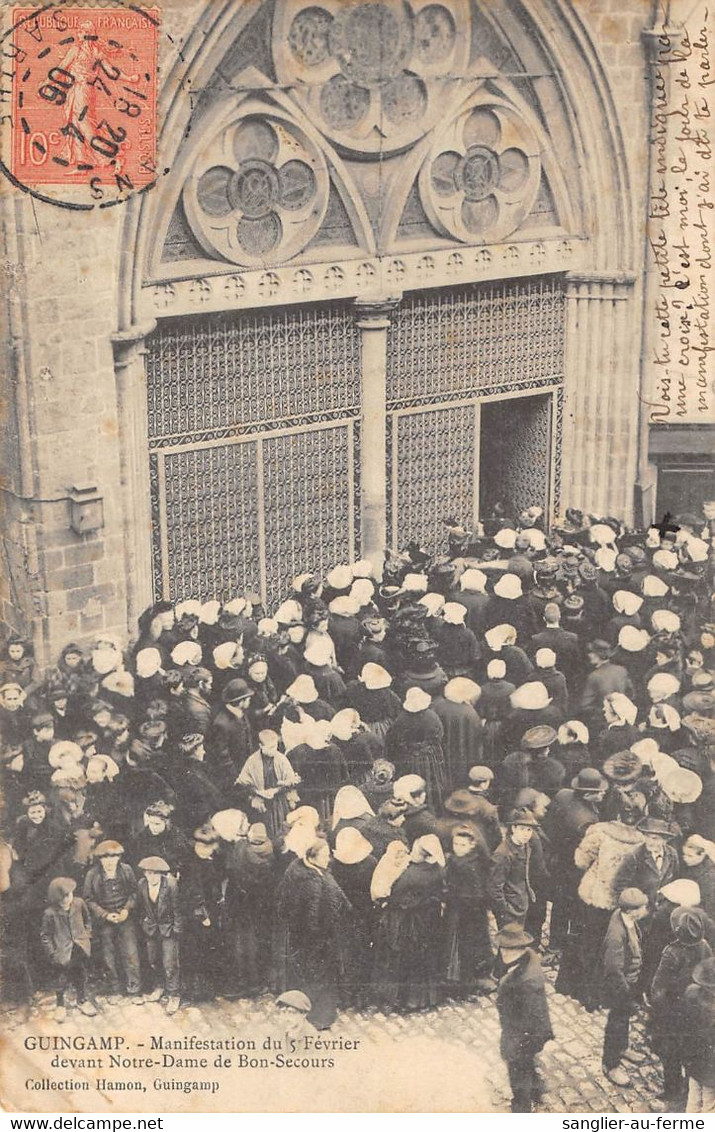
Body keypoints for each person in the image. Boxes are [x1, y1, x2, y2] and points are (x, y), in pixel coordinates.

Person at [273, 837, 350, 1030]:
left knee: (308, 974)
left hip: (303, 936)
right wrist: (322, 937)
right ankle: (319, 1017)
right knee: (318, 976)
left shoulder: (299, 869)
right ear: (312, 856)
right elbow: (313, 918)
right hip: (316, 939)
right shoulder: (313, 883)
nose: (329, 859)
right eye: (325, 855)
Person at [650, 906, 712, 1108]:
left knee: (670, 1054)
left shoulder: (671, 953)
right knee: (691, 1051)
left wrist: (658, 1012)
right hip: (694, 1009)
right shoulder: (704, 946)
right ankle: (687, 1088)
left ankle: (673, 1091)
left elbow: (657, 989)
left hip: (672, 1012)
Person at [494, 922, 553, 1112]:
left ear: (518, 949)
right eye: (503, 948)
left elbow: (532, 1018)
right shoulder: (530, 957)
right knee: (527, 1063)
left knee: (518, 1071)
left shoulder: (525, 982)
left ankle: (522, 1108)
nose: (503, 953)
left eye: (507, 949)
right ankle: (536, 1088)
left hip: (522, 1036)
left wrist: (520, 1043)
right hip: (527, 1032)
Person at [600, 887, 650, 1087]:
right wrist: (625, 996)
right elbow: (613, 969)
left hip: (629, 982)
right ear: (632, 911)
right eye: (642, 907)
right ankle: (610, 1065)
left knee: (622, 1020)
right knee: (616, 1023)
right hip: (620, 988)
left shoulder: (628, 920)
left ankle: (622, 1047)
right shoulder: (616, 934)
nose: (646, 909)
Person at [82, 840, 141, 1003]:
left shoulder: (127, 870)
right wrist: (105, 915)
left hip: (124, 916)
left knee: (131, 951)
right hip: (105, 919)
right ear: (100, 859)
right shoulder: (93, 875)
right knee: (108, 954)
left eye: (113, 857)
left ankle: (134, 989)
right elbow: (88, 899)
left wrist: (126, 910)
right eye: (105, 858)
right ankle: (114, 989)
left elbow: (134, 893)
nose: (109, 862)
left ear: (119, 858)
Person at [444, 824, 495, 998]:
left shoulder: (469, 866)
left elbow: (477, 893)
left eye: (462, 845)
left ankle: (465, 985)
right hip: (459, 912)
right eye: (456, 844)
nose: (458, 848)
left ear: (472, 845)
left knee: (465, 950)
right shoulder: (456, 860)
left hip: (467, 915)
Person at [40, 876, 96, 1022]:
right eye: (62, 898)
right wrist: (52, 954)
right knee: (61, 978)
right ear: (55, 900)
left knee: (80, 973)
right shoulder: (50, 913)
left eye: (68, 895)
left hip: (79, 947)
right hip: (62, 952)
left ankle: (82, 1000)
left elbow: (87, 919)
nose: (66, 900)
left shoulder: (79, 903)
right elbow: (45, 935)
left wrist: (87, 935)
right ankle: (60, 1005)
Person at [135, 856, 181, 1015]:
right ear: (144, 874)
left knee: (170, 962)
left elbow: (177, 909)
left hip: (168, 929)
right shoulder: (141, 885)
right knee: (153, 959)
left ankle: (174, 994)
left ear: (161, 874)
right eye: (148, 873)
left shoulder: (171, 885)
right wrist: (144, 923)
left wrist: (176, 929)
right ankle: (159, 987)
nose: (151, 877)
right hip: (151, 929)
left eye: (155, 873)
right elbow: (140, 908)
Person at [488, 809, 547, 929]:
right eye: (522, 829)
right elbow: (494, 889)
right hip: (509, 912)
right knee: (509, 945)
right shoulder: (503, 854)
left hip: (521, 906)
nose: (526, 834)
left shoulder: (526, 846)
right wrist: (505, 910)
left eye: (529, 830)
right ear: (513, 828)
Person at [682, 957, 715, 1113]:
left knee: (694, 1096)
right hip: (711, 1070)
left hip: (693, 1060)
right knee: (710, 1104)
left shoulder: (691, 993)